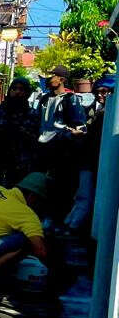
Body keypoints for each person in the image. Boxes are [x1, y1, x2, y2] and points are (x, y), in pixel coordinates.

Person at [35, 65, 88, 220]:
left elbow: (79, 125)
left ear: (61, 80)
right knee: (40, 183)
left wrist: (68, 137)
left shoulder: (70, 100)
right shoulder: (44, 98)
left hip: (60, 149)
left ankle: (56, 219)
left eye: (52, 76)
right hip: (42, 146)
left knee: (59, 186)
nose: (48, 78)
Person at [65, 73, 112, 232]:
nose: (100, 95)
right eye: (98, 92)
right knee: (83, 195)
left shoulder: (108, 113)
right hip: (89, 161)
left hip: (100, 162)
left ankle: (75, 226)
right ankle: (73, 225)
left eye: (104, 92)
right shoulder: (97, 110)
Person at [0, 77, 37, 189]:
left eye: (21, 89)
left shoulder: (32, 115)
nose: (17, 92)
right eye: (14, 89)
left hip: (20, 164)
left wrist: (22, 133)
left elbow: (36, 139)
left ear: (27, 93)